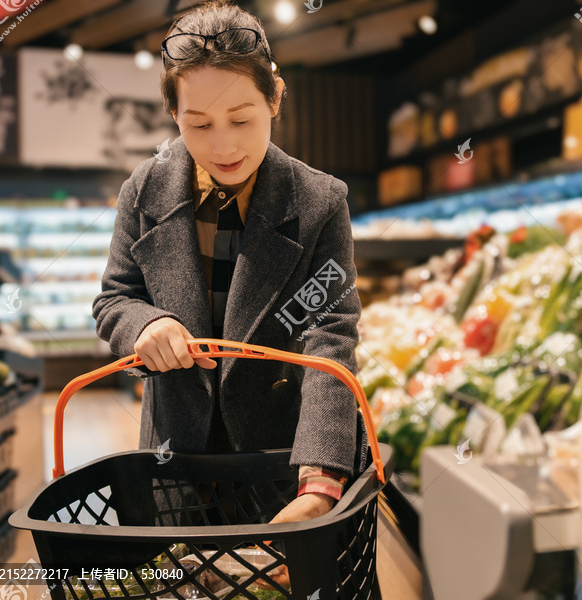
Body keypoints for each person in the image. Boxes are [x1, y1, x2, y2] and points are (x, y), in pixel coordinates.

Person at [92, 0, 370, 533]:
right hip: (175, 454)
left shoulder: (319, 202)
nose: (223, 145)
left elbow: (328, 334)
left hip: (282, 454)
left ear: (275, 98)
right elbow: (114, 300)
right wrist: (144, 325)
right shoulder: (142, 191)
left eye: (242, 119)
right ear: (174, 114)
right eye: (198, 124)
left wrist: (322, 476)